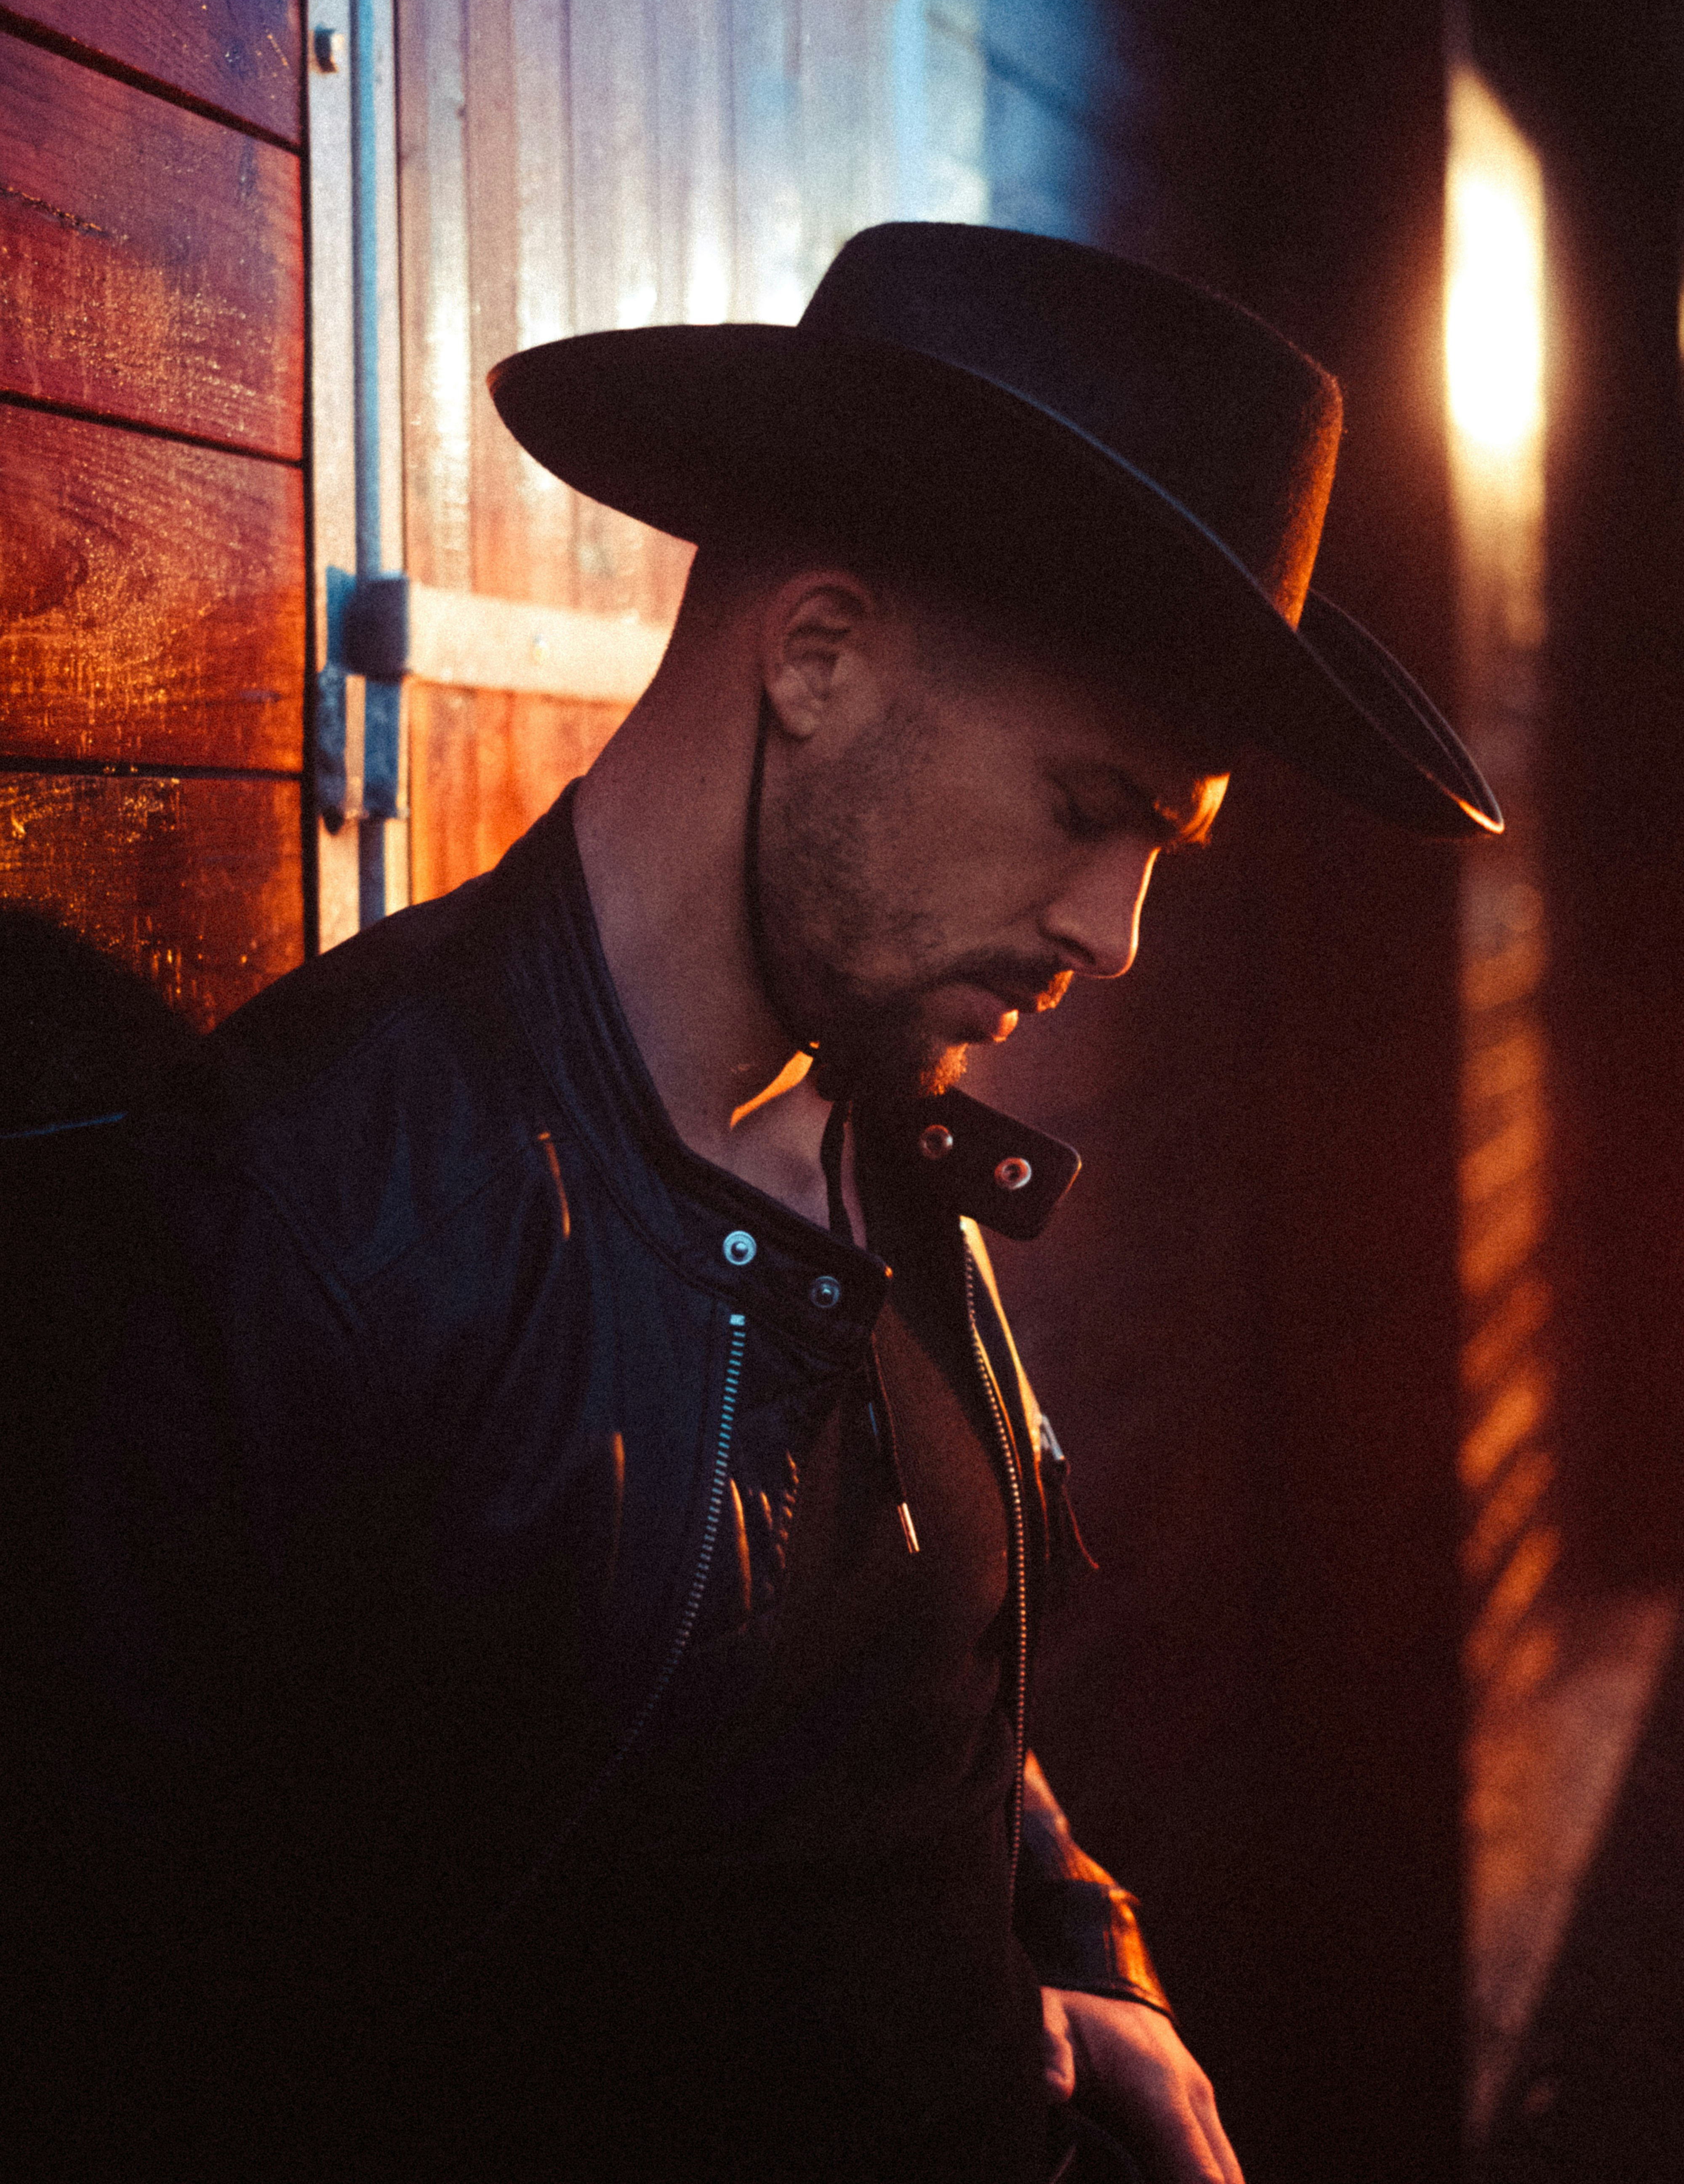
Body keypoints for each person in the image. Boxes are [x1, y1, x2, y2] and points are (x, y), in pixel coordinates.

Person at [8, 225, 1498, 2183]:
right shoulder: (312, 1222)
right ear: (815, 657)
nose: (1113, 935)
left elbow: (880, 1686)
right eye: (1087, 808)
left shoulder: (875, 1108)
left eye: (1163, 843)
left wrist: (1075, 1949)